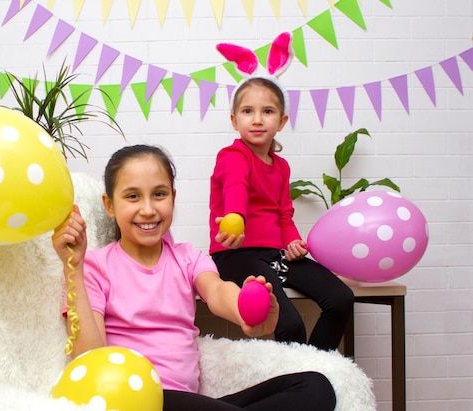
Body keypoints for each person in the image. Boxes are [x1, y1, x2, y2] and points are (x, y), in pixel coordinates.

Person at [52, 144, 336, 411]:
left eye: (159, 194)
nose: (148, 209)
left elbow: (218, 291)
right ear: (110, 205)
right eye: (133, 196)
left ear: (173, 198)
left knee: (316, 387)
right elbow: (88, 358)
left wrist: (248, 310)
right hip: (136, 400)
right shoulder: (94, 266)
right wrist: (73, 268)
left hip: (189, 402)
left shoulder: (188, 259)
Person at [209, 77, 355, 351]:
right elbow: (236, 186)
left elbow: (283, 214)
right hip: (236, 254)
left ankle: (317, 369)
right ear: (234, 120)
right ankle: (305, 383)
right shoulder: (232, 156)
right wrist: (236, 218)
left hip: (275, 255)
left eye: (267, 111)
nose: (257, 119)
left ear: (282, 121)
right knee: (290, 323)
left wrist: (293, 243)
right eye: (247, 111)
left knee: (341, 298)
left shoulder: (281, 166)